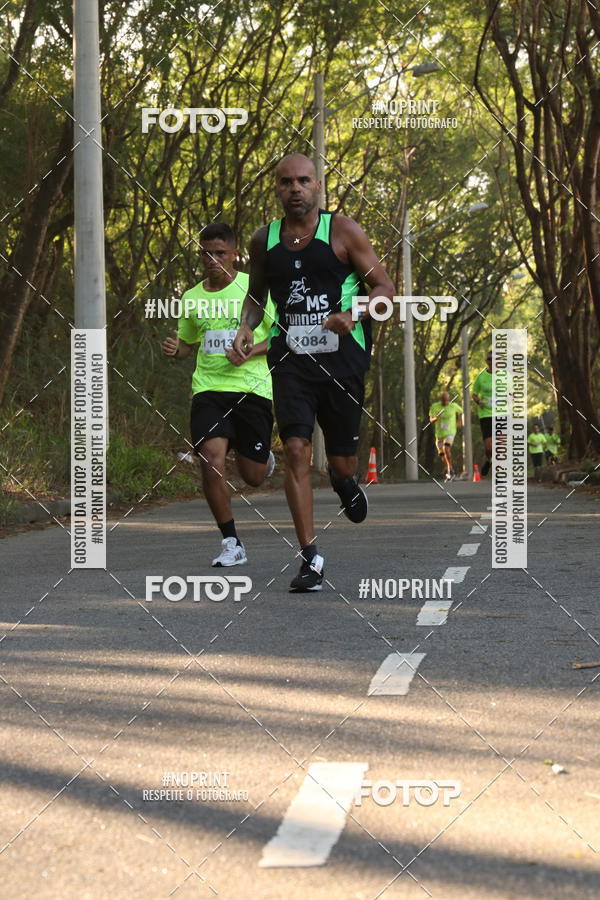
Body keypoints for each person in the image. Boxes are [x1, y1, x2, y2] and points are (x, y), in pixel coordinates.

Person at [233, 153, 395, 592]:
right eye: (286, 182)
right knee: (297, 450)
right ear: (277, 189)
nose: (295, 189)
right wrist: (246, 327)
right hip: (290, 362)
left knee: (340, 462)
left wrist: (355, 312)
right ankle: (310, 556)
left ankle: (344, 482)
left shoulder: (342, 231)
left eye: (303, 181)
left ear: (318, 186)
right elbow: (255, 295)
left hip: (343, 362)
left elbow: (386, 290)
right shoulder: (262, 240)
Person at [162, 222, 276, 567]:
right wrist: (176, 348)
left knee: (252, 476)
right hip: (208, 390)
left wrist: (251, 350)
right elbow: (188, 346)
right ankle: (231, 541)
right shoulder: (192, 297)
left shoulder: (254, 289)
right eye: (206, 253)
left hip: (252, 389)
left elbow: (283, 339)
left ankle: (264, 459)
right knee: (211, 461)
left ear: (234, 254)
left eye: (219, 253)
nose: (212, 259)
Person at [429, 391, 463, 481]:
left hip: (450, 432)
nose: (445, 403)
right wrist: (435, 418)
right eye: (444, 401)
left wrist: (460, 421)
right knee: (442, 454)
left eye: (447, 401)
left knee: (446, 448)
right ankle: (450, 469)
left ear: (449, 400)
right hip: (439, 434)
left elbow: (461, 412)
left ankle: (450, 471)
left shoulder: (453, 406)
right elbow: (431, 420)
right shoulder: (435, 406)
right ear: (441, 400)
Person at [472, 350, 495, 476]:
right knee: (489, 447)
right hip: (486, 414)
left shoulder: (505, 375)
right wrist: (479, 402)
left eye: (494, 358)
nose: (492, 361)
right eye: (489, 359)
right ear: (487, 361)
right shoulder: (481, 377)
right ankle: (489, 460)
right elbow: (474, 394)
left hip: (502, 414)